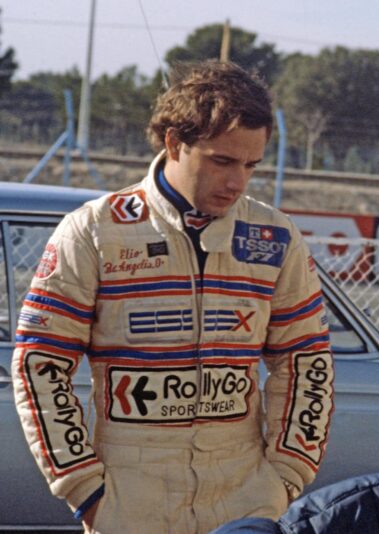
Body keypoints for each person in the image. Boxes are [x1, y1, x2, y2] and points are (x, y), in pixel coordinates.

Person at [12, 60, 334, 533]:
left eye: (251, 165)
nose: (238, 182)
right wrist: (84, 488)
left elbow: (307, 360)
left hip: (245, 497)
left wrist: (285, 477)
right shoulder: (95, 230)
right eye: (222, 161)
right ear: (173, 143)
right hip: (128, 498)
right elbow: (40, 361)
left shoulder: (274, 236)